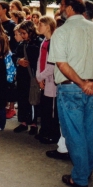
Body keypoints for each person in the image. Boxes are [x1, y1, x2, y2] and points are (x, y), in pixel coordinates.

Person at [48, 0, 93, 187]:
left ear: (68, 8)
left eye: (60, 4)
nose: (59, 8)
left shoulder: (61, 31)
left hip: (71, 89)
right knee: (88, 131)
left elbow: (61, 63)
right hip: (92, 89)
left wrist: (82, 83)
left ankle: (80, 177)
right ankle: (87, 167)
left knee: (74, 134)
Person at [12, 20, 42, 135]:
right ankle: (24, 122)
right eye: (21, 33)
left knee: (33, 99)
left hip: (32, 76)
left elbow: (40, 60)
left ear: (30, 31)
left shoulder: (38, 43)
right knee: (22, 99)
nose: (23, 35)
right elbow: (14, 55)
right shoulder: (22, 44)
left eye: (24, 33)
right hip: (22, 76)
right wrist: (19, 61)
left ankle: (34, 124)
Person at [35, 16, 60, 144]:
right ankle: (45, 131)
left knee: (52, 110)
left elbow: (52, 65)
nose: (38, 27)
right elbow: (40, 60)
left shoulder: (54, 41)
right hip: (44, 79)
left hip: (52, 81)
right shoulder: (44, 41)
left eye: (41, 24)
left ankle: (53, 134)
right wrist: (39, 77)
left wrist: (40, 76)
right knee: (45, 107)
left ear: (49, 26)